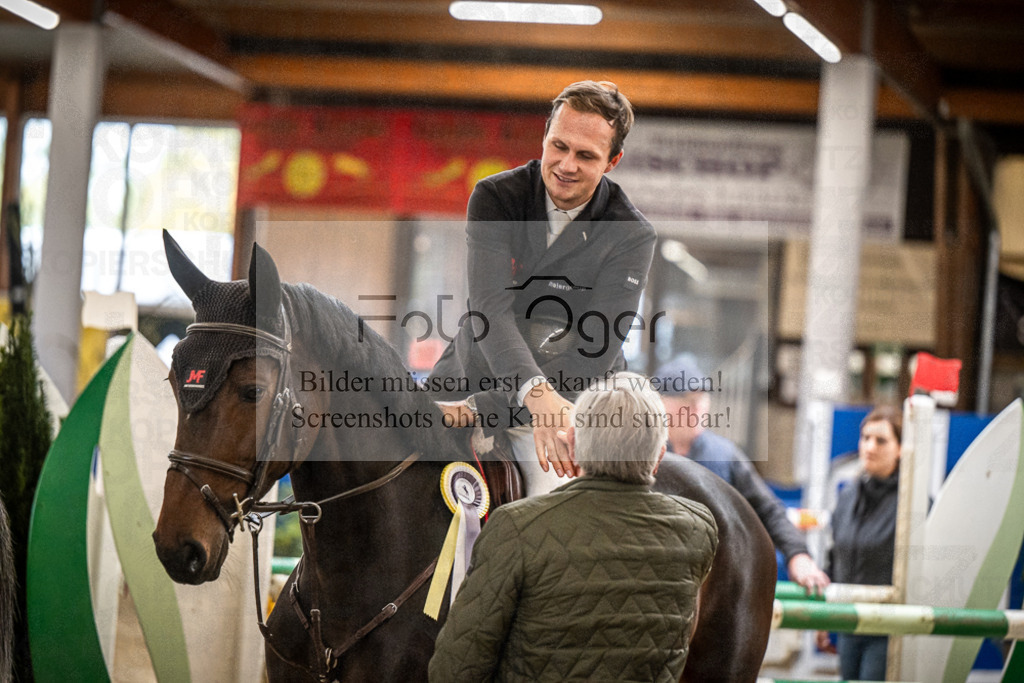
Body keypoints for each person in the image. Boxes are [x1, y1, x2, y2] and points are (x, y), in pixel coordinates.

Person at [431, 80, 656, 496]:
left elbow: (595, 347)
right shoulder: (496, 196)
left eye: (586, 155)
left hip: (569, 393)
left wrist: (507, 407)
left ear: (612, 161)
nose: (566, 165)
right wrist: (531, 395)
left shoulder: (632, 234)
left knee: (550, 506)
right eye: (559, 146)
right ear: (545, 137)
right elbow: (489, 310)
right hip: (471, 377)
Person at [428, 373, 718, 682]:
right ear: (659, 456)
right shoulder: (698, 530)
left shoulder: (515, 526)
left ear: (574, 444)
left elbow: (452, 673)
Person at [652, 355, 830, 593]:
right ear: (661, 404)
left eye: (702, 398)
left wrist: (798, 555)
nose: (697, 407)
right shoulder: (644, 454)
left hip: (713, 585)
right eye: (687, 399)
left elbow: (767, 509)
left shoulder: (724, 455)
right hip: (654, 579)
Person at [816, 406, 902, 681]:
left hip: (888, 627)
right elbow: (834, 558)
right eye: (865, 438)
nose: (870, 447)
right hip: (849, 622)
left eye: (881, 440)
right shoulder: (848, 496)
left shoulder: (912, 504)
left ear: (900, 449)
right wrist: (823, 616)